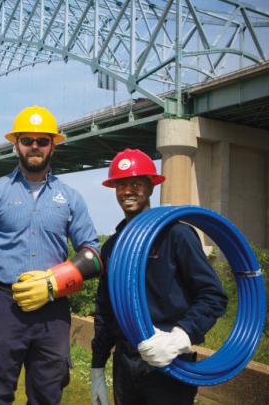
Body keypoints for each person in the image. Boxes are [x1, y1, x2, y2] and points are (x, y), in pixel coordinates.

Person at [0, 105, 100, 405]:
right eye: (28, 140)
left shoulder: (70, 198)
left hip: (53, 310)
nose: (35, 147)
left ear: (53, 145)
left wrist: (55, 281)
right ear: (16, 143)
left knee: (47, 392)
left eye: (42, 141)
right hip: (5, 305)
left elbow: (92, 254)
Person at [91, 148, 228, 405]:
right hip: (126, 364)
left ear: (151, 187)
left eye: (136, 184)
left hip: (169, 363)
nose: (127, 191)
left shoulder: (176, 236)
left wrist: (181, 336)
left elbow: (213, 297)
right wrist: (97, 366)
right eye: (121, 185)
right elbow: (105, 311)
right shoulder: (113, 247)